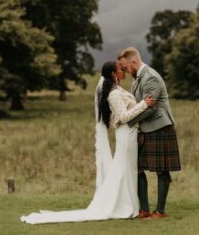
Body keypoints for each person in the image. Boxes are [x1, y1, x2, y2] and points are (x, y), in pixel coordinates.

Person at [20, 61, 156, 224]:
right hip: (126, 134)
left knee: (128, 169)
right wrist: (143, 104)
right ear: (114, 74)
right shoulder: (113, 94)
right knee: (125, 168)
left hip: (130, 134)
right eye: (121, 69)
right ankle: (123, 205)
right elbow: (123, 117)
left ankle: (129, 204)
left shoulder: (117, 89)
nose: (124, 70)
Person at [118, 47, 181, 219]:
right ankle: (144, 210)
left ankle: (160, 211)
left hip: (160, 127)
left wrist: (128, 122)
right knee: (137, 168)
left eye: (125, 67)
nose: (124, 70)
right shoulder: (136, 79)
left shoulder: (151, 77)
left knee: (161, 170)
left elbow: (150, 108)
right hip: (145, 128)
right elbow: (139, 105)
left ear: (134, 61)